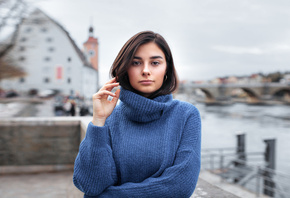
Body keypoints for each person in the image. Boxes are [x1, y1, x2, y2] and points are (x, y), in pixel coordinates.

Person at [73, 31, 201, 198]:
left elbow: (179, 186)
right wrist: (98, 121)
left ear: (167, 68)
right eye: (136, 63)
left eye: (155, 63)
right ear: (125, 69)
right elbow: (90, 184)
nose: (146, 70)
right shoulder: (109, 118)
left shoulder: (186, 115)